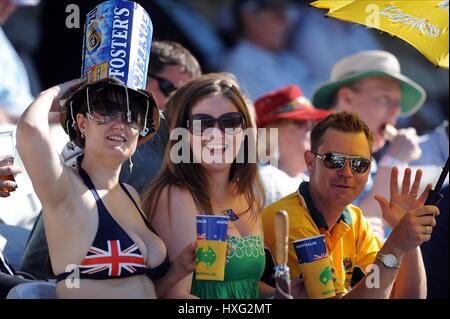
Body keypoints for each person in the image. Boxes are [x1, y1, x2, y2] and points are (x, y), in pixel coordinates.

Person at [16, 77, 196, 298]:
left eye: (132, 116)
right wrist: (58, 91)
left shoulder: (130, 194)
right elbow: (31, 128)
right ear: (82, 123)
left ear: (139, 131)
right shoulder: (65, 188)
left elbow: (140, 288)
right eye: (106, 111)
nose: (120, 123)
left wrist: (180, 268)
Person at [262, 112, 439, 298]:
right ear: (311, 162)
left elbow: (401, 294)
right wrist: (395, 246)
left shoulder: (354, 218)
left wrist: (408, 240)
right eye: (334, 160)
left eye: (359, 164)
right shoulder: (293, 221)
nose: (347, 172)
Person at [142, 73, 275, 299]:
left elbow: (243, 285)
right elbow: (175, 295)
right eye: (202, 123)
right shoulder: (175, 196)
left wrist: (282, 294)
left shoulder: (247, 191)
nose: (216, 134)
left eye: (230, 122)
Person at [311, 50, 427, 239]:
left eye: (397, 105)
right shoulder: (312, 152)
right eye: (384, 98)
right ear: (347, 98)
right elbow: (344, 238)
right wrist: (393, 162)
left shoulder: (367, 164)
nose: (395, 112)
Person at [221, 0, 315, 100]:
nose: (285, 24)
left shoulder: (289, 58)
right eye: (277, 17)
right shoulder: (239, 67)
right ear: (250, 18)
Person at [254, 84, 331, 205]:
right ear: (270, 133)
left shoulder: (311, 184)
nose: (310, 129)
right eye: (299, 122)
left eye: (312, 123)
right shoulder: (265, 179)